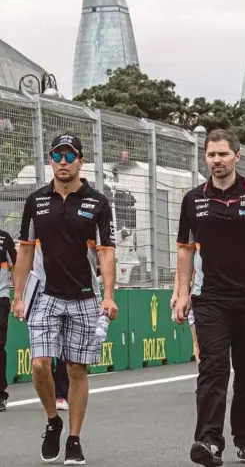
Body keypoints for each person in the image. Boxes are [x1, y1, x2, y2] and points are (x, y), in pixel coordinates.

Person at [175, 128, 245, 466]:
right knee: (214, 368)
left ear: (237, 155)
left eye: (223, 154)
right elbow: (184, 249)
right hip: (210, 299)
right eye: (211, 155)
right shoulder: (194, 199)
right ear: (205, 158)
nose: (217, 160)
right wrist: (181, 292)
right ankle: (208, 441)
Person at [12, 134, 118, 465]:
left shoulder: (97, 203)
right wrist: (18, 295)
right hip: (45, 294)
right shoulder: (36, 201)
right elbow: (25, 251)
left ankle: (74, 439)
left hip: (85, 297)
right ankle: (52, 421)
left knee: (76, 370)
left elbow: (107, 252)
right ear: (50, 160)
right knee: (40, 364)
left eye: (69, 155)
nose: (62, 161)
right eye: (57, 155)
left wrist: (110, 296)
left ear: (80, 161)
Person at [0, 229, 17, 411]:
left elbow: (17, 267)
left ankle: (0, 394)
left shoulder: (4, 238)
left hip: (1, 298)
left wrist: (19, 296)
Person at [170, 271, 200, 364]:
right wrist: (176, 294)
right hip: (195, 298)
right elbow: (180, 269)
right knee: (197, 340)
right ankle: (203, 372)